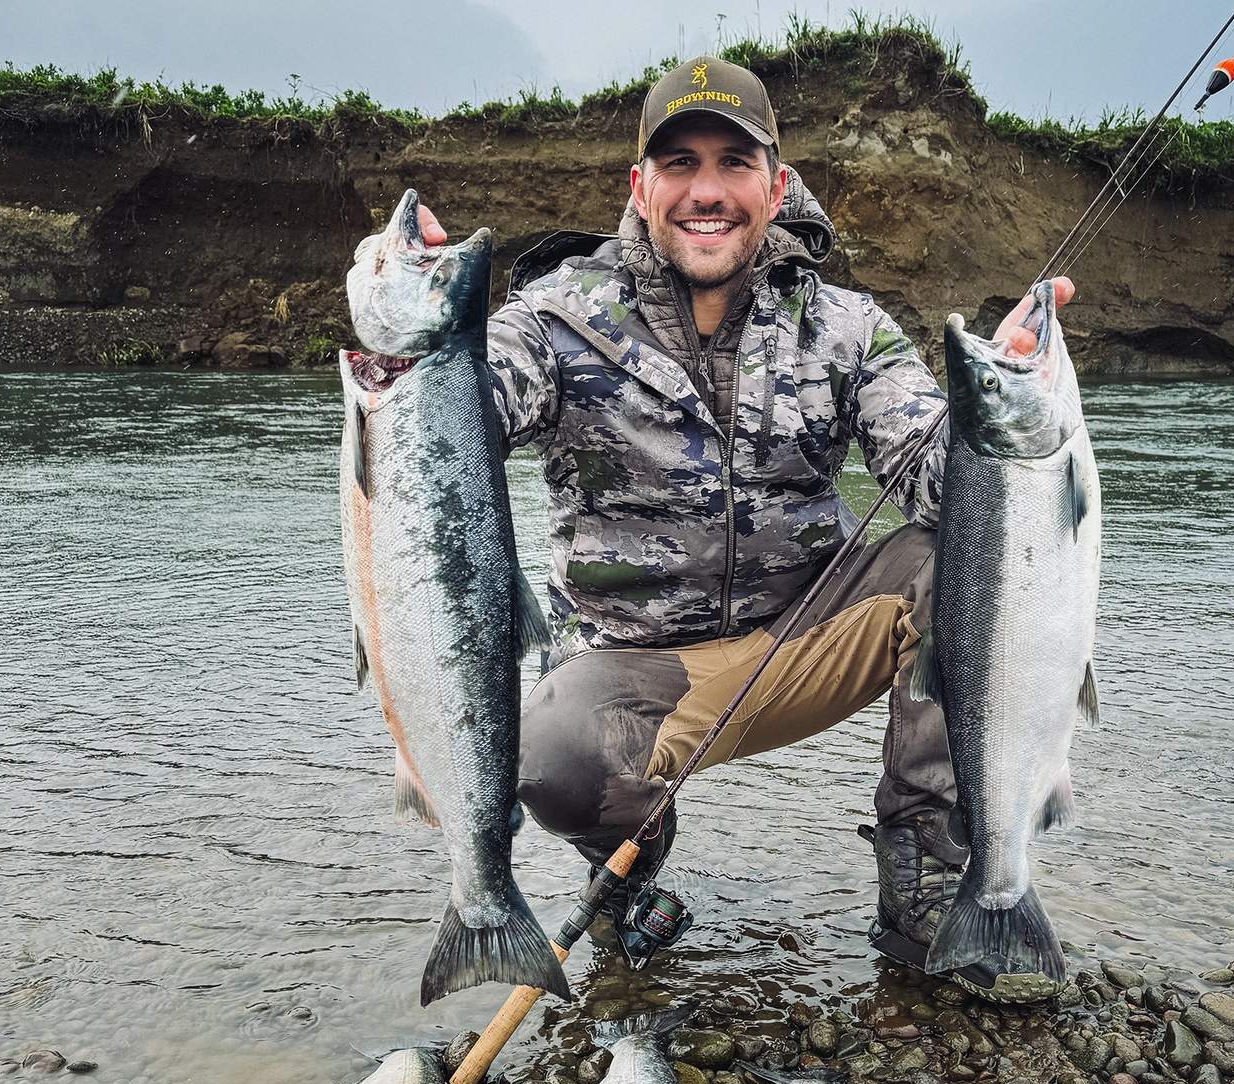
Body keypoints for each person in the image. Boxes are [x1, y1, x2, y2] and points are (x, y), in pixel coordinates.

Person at [404, 57, 1074, 1002]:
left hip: (809, 639)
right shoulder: (553, 318)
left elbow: (938, 478)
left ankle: (933, 884)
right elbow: (464, 415)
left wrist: (996, 409)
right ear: (640, 185)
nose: (707, 191)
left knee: (953, 561)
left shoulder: (848, 328)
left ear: (775, 181)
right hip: (638, 670)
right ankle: (629, 868)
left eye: (734, 162)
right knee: (547, 753)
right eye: (679, 163)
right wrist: (422, 336)